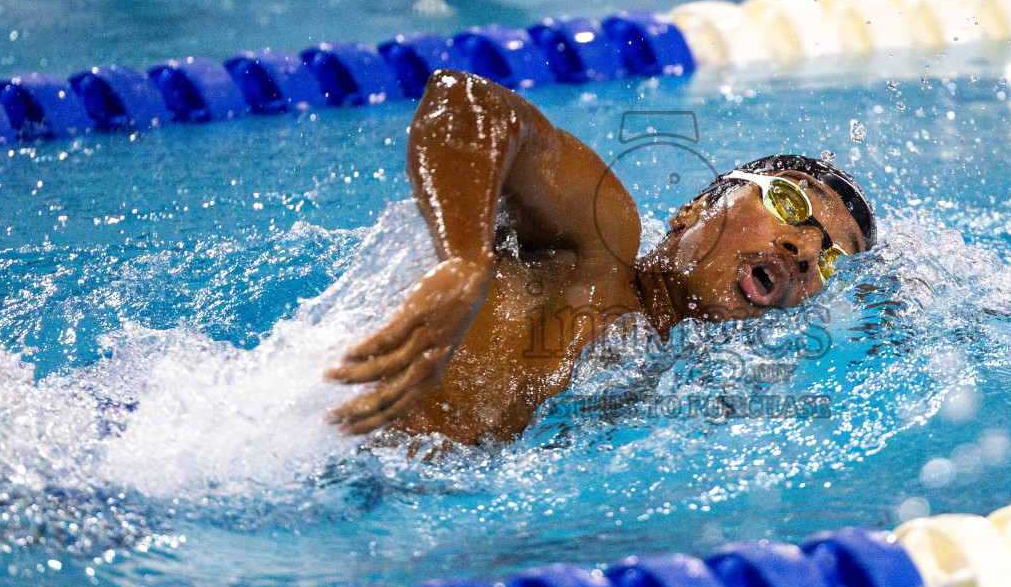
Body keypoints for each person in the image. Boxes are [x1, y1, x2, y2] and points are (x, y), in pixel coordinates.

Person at [325, 69, 877, 447]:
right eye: (789, 203)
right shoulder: (597, 242)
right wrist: (463, 260)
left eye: (828, 259)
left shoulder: (675, 395)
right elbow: (466, 102)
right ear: (693, 209)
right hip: (316, 456)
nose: (805, 251)